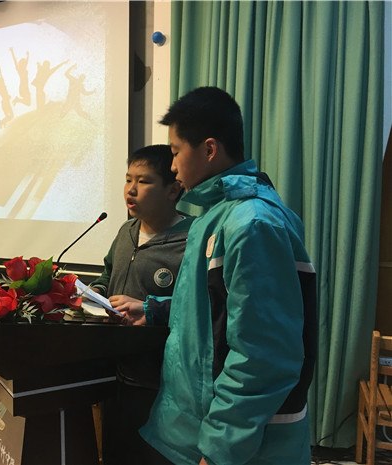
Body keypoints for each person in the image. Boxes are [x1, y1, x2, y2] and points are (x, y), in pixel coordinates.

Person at [131, 87, 317, 465]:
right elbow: (215, 311)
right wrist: (155, 309)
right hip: (193, 431)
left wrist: (220, 450)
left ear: (209, 150)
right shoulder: (218, 216)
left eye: (175, 151)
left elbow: (262, 355)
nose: (172, 166)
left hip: (239, 447)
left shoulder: (252, 223)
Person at [88, 144, 193, 465]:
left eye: (144, 181)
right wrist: (93, 293)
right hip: (115, 374)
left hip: (160, 383)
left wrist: (150, 308)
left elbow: (200, 307)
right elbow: (108, 275)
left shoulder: (192, 239)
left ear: (173, 190)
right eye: (128, 179)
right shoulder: (126, 231)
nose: (131, 190)